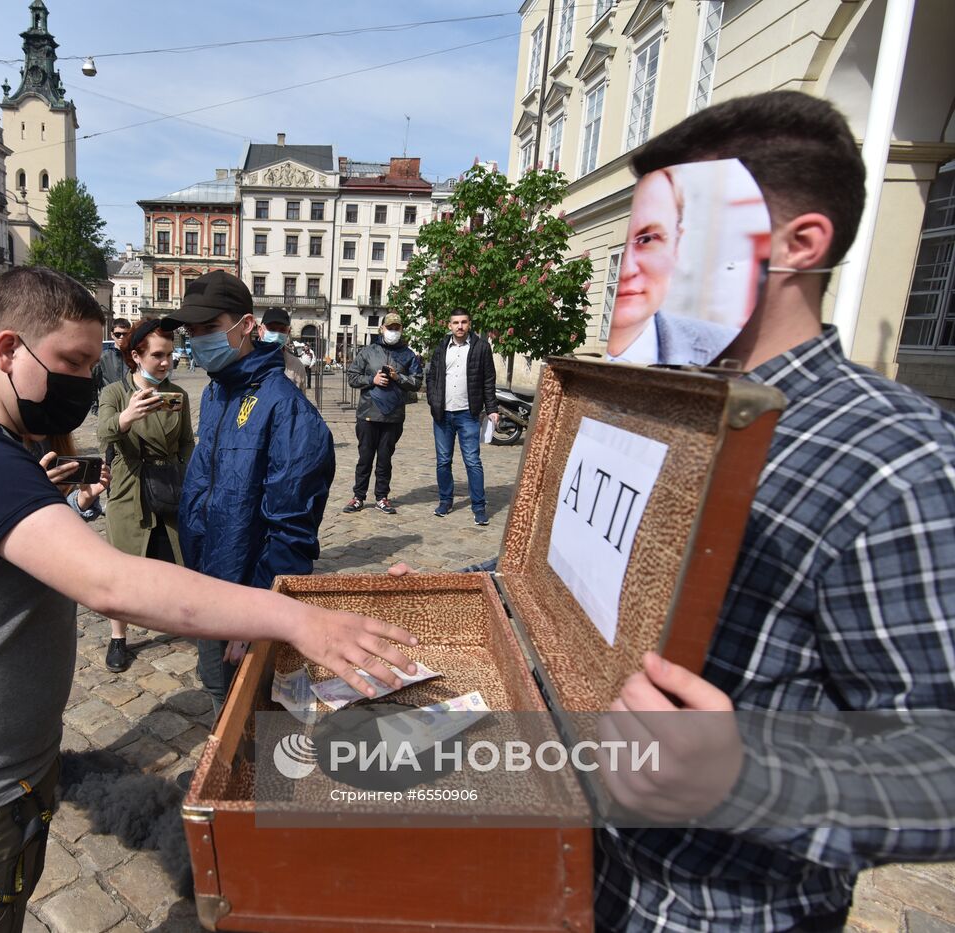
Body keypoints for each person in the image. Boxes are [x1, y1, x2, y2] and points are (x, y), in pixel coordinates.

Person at [409, 91, 955, 931]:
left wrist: (740, 773)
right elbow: (552, 581)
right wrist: (451, 595)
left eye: (662, 236)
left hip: (702, 907)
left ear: (797, 244)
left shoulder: (898, 465)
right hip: (561, 869)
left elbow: (938, 763)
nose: (631, 265)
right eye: (635, 235)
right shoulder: (640, 407)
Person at [0, 265, 417, 932]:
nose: (83, 380)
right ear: (7, 349)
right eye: (72, 362)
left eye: (89, 363)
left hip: (1, 785)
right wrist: (297, 618)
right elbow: (111, 583)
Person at [162, 270, 337, 713]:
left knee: (249, 703)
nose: (199, 340)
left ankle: (242, 757)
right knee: (216, 684)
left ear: (245, 326)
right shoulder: (216, 392)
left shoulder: (286, 407)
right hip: (207, 581)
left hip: (247, 597)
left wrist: (259, 613)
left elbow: (292, 530)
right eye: (192, 331)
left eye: (210, 327)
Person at [96, 318, 194, 673]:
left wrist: (189, 476)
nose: (166, 362)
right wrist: (127, 417)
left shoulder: (177, 395)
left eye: (170, 354)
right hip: (131, 486)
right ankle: (118, 637)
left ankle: (184, 621)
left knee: (176, 559)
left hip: (169, 485)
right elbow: (104, 433)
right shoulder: (115, 393)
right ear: (136, 356)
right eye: (157, 355)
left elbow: (186, 442)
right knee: (122, 567)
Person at [608, 167, 740, 365]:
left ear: (676, 245)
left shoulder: (727, 348)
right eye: (621, 247)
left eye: (647, 239)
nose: (626, 270)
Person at [342, 312, 423, 515]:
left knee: (385, 459)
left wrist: (398, 377)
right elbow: (352, 377)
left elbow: (417, 382)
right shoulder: (368, 352)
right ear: (382, 329)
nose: (393, 331)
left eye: (397, 328)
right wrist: (372, 380)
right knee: (365, 458)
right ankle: (358, 497)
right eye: (390, 328)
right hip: (368, 414)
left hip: (393, 416)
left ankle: (382, 497)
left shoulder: (408, 355)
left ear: (401, 330)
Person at [423, 309, 497, 526]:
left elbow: (488, 380)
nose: (460, 326)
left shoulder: (481, 347)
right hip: (443, 414)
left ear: (469, 324)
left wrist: (492, 409)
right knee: (443, 461)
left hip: (468, 413)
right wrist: (433, 400)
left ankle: (479, 507)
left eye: (464, 322)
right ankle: (445, 501)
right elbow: (432, 376)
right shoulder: (441, 348)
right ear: (450, 325)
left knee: (473, 461)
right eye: (456, 322)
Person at [256, 306, 308, 390]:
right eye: (272, 329)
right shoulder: (247, 359)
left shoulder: (296, 365)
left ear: (288, 332)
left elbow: (300, 396)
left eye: (282, 329)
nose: (277, 335)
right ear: (260, 330)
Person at [92, 317, 130, 410]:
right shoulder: (102, 358)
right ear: (112, 335)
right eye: (118, 334)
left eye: (125, 334)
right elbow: (92, 386)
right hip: (109, 406)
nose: (121, 337)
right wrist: (96, 409)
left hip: (131, 407)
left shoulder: (136, 356)